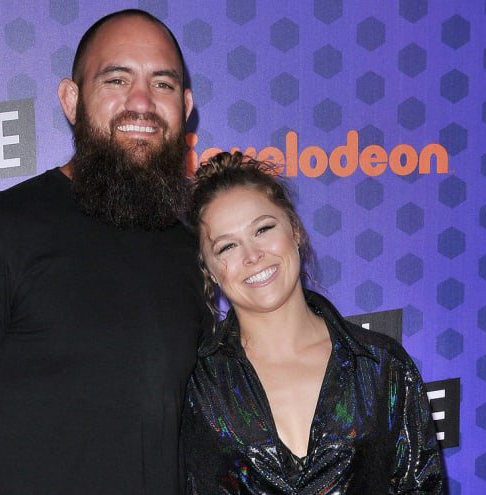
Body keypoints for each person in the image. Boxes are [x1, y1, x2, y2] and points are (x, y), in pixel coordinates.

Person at [0, 9, 208, 494]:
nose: (141, 102)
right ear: (71, 99)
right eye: (116, 79)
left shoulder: (200, 249)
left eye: (162, 84)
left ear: (184, 106)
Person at [181, 152, 446, 493]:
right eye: (227, 247)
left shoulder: (380, 366)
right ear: (210, 270)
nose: (252, 255)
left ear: (295, 231)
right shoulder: (197, 383)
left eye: (263, 229)